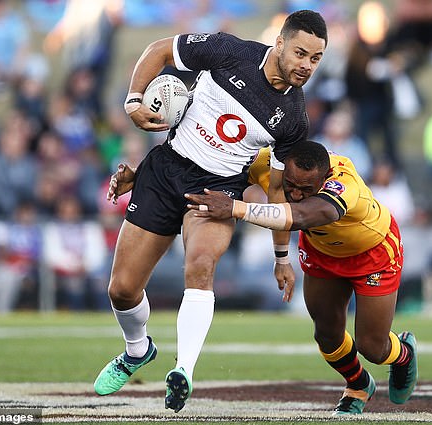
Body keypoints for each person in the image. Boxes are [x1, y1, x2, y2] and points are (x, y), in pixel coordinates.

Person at [94, 10, 327, 414]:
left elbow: (275, 189)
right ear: (280, 43)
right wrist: (133, 102)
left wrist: (281, 257)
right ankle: (137, 350)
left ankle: (183, 371)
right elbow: (159, 49)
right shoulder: (229, 51)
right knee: (121, 290)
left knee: (200, 264)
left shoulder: (293, 120)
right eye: (301, 53)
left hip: (217, 189)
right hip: (166, 169)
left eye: (315, 59)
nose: (306, 66)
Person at [184, 141, 418, 415]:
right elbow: (208, 164)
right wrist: (140, 179)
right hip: (321, 252)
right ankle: (357, 385)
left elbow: (306, 215)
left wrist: (236, 208)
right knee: (326, 334)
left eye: (306, 189)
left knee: (372, 347)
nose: (294, 194)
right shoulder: (271, 163)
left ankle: (403, 354)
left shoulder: (344, 181)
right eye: (290, 185)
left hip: (373, 252)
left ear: (324, 177)